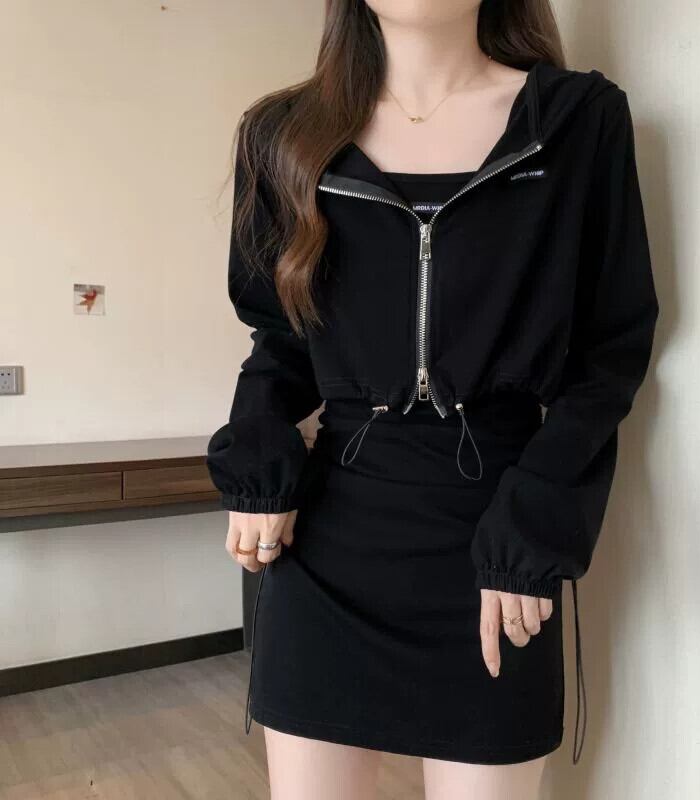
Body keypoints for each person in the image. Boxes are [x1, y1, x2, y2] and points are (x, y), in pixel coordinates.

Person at [206, 1, 659, 797]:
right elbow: (280, 338)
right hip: (328, 552)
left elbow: (606, 360)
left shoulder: (575, 122)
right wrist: (259, 463)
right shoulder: (280, 135)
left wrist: (532, 532)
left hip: (496, 545)